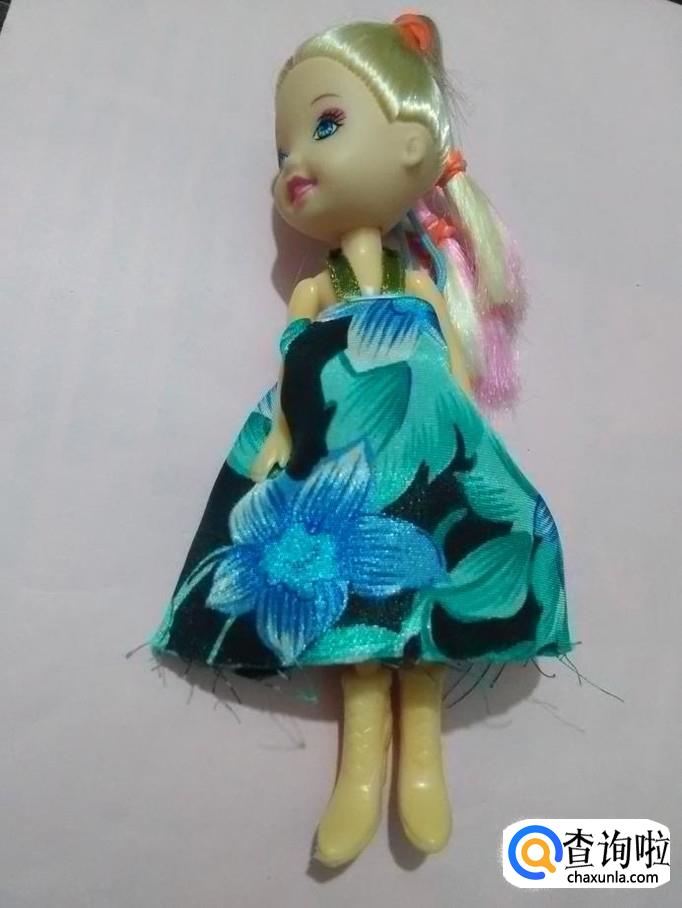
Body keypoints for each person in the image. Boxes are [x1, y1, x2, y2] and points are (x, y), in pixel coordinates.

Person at [147, 13, 574, 867]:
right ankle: (359, 774)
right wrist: (277, 442)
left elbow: (453, 382)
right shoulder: (316, 291)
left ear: (411, 144)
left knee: (425, 619)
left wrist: (475, 460)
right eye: (283, 152)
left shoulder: (419, 282)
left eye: (326, 126)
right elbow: (292, 383)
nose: (292, 165)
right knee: (358, 636)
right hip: (335, 482)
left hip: (422, 469)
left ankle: (424, 763)